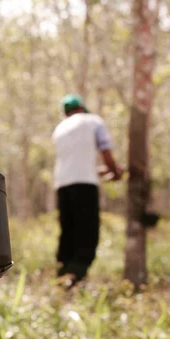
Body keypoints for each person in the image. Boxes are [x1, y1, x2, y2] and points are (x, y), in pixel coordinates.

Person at [52, 94, 122, 287]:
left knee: (68, 230)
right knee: (87, 231)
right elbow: (105, 150)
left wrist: (107, 170)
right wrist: (115, 171)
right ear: (82, 108)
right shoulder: (93, 122)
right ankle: (76, 276)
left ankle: (62, 272)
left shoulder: (60, 129)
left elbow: (76, 165)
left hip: (62, 185)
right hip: (85, 187)